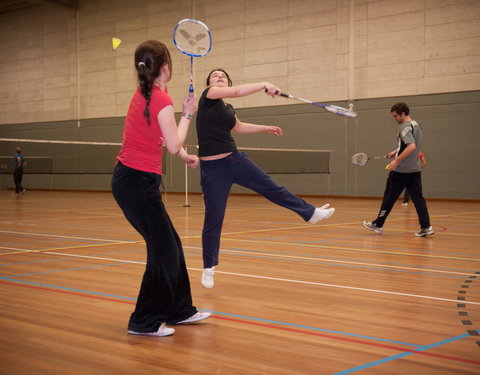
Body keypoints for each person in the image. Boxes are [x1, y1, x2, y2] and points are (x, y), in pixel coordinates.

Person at [196, 68, 336, 289]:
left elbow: (239, 127)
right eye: (215, 75)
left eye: (223, 75)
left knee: (272, 188)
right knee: (214, 218)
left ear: (229, 80)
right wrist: (264, 83)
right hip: (212, 168)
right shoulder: (209, 95)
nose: (219, 77)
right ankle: (208, 267)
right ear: (209, 83)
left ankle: (310, 213)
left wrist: (265, 128)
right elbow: (237, 92)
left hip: (234, 160)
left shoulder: (227, 108)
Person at [111, 40, 210, 337]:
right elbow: (173, 142)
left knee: (171, 245)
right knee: (162, 250)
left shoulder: (148, 93)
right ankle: (144, 321)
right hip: (136, 183)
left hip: (134, 181)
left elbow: (160, 139)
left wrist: (183, 156)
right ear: (165, 67)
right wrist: (188, 113)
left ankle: (180, 310)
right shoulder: (160, 100)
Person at [363, 102, 433, 237]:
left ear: (402, 114)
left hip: (401, 171)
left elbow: (411, 147)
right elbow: (412, 145)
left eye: (395, 116)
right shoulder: (416, 126)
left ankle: (378, 224)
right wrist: (396, 152)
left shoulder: (404, 128)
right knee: (418, 199)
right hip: (415, 169)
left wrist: (396, 160)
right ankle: (426, 226)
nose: (394, 119)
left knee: (389, 198)